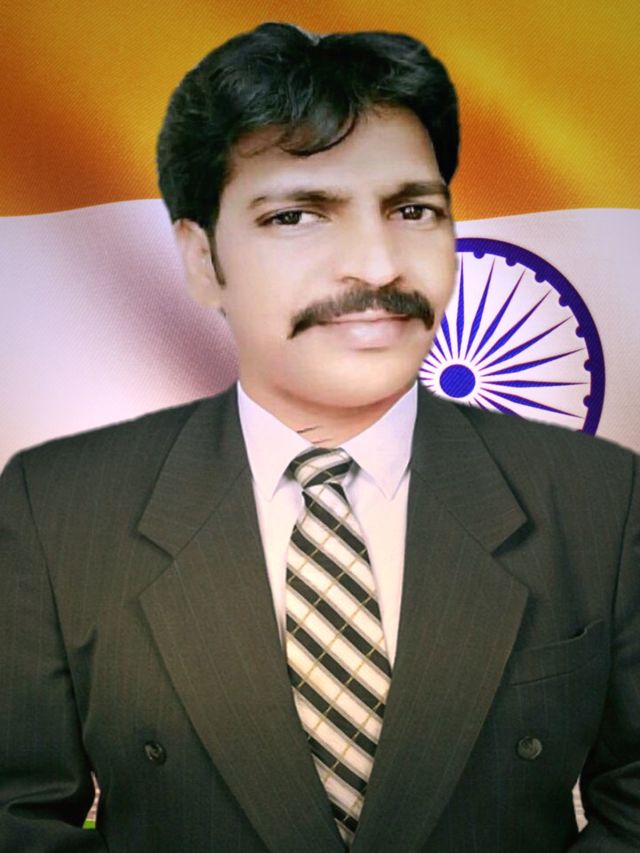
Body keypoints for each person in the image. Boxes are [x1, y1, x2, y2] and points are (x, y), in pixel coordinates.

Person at [0, 21, 638, 853]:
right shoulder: (57, 509)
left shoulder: (600, 499)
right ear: (202, 259)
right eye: (298, 215)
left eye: (412, 209)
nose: (376, 265)